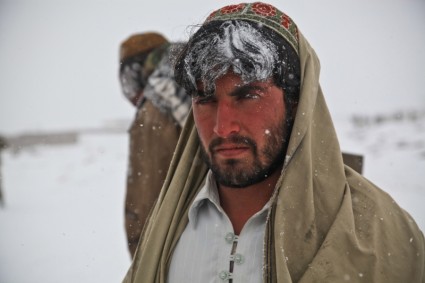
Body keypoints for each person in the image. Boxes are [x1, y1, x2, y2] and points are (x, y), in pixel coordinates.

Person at [123, 3, 425, 282]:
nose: (223, 127)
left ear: (295, 102)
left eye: (248, 96)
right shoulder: (166, 233)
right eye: (206, 99)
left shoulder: (377, 234)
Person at [119, 33, 191, 257]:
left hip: (173, 250)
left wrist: (144, 258)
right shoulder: (194, 87)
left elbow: (145, 202)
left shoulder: (154, 110)